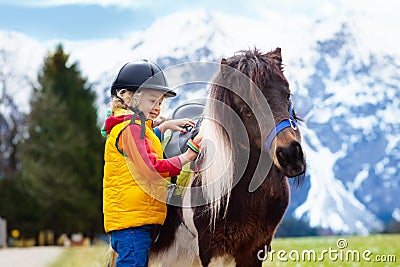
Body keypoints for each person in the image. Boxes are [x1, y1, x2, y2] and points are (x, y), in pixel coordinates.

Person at [102, 60, 202, 267]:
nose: (157, 108)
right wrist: (187, 156)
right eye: (151, 101)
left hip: (136, 218)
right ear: (129, 97)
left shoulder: (133, 127)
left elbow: (142, 147)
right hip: (132, 222)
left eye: (160, 102)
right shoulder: (130, 128)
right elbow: (151, 167)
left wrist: (163, 127)